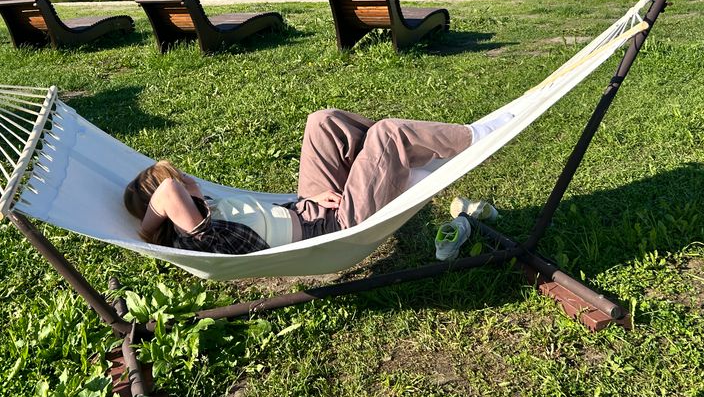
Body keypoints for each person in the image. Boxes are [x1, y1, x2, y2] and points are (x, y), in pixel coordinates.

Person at [123, 108, 512, 255]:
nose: (188, 179)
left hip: (309, 208)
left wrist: (305, 202)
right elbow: (169, 192)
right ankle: (475, 136)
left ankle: (386, 161)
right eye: (181, 179)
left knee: (322, 122)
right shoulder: (197, 236)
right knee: (388, 133)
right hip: (334, 227)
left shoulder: (209, 212)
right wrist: (147, 231)